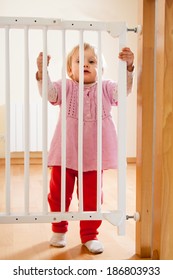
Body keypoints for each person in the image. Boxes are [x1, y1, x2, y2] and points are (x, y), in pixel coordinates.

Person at [36, 43, 134, 254]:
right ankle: (59, 229)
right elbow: (50, 95)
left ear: (101, 69)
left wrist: (127, 68)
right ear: (70, 70)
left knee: (91, 197)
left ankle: (90, 234)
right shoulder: (67, 86)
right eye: (79, 61)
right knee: (58, 193)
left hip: (93, 155)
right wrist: (42, 72)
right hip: (65, 152)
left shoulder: (106, 87)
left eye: (92, 61)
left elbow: (122, 92)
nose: (86, 64)